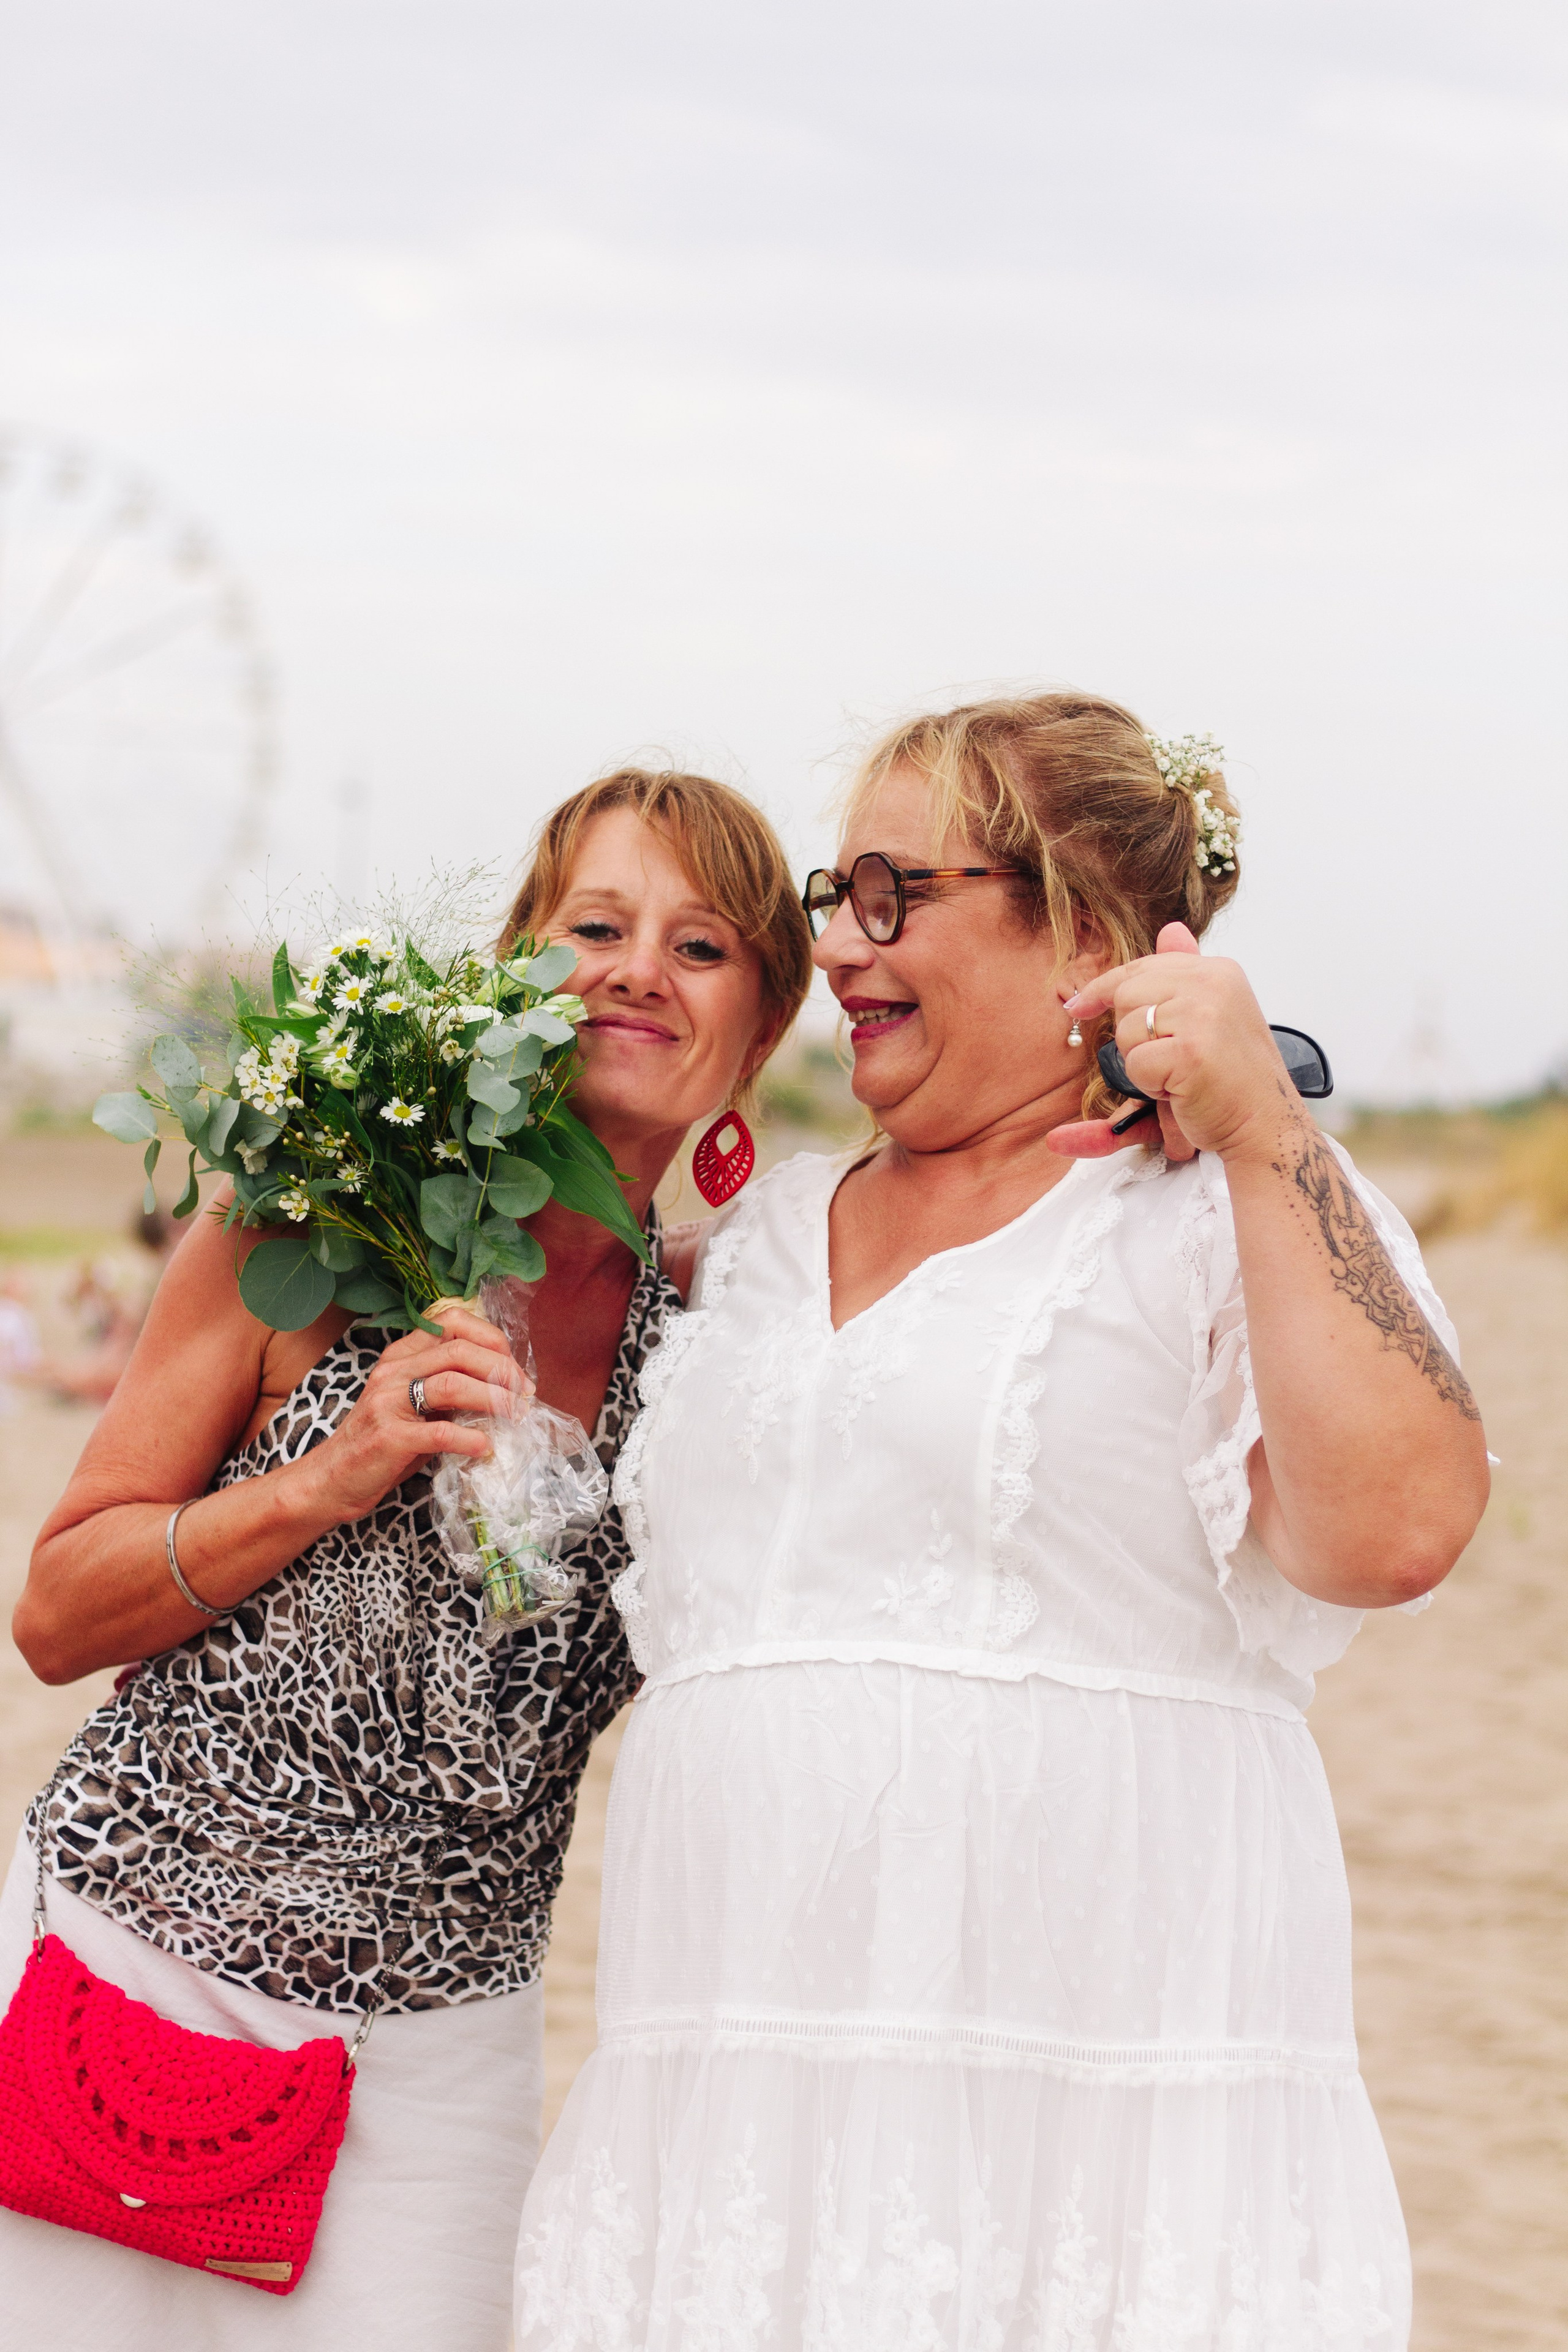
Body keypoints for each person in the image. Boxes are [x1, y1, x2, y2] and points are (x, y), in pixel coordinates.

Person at [513, 695, 1488, 2350]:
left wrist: (1264, 1126)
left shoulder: (1214, 1208)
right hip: (733, 2131)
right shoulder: (754, 1243)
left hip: (1081, 2144)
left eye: (892, 895)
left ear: (1088, 937)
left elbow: (1393, 1531)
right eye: (836, 898)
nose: (842, 948)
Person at [1, 767, 812, 2350]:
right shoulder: (307, 1228)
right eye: (597, 926)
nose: (639, 971)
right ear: (514, 976)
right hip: (133, 1972)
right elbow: (55, 1611)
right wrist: (328, 1476)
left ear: (763, 1028)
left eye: (703, 946)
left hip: (445, 2052)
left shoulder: (723, 1347)